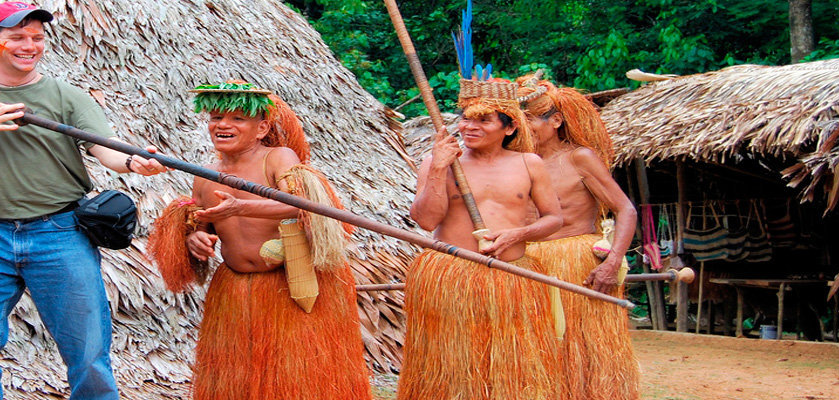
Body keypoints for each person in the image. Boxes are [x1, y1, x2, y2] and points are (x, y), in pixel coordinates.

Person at [0, 2, 165, 398]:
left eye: (36, 38)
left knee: (87, 349)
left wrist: (134, 161)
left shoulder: (68, 97)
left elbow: (108, 150)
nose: (29, 46)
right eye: (16, 38)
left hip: (60, 232)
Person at [147, 81, 371, 400]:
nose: (223, 124)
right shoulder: (204, 174)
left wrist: (243, 206)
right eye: (215, 117)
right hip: (235, 288)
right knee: (238, 379)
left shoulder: (278, 158)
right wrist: (196, 238)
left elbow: (305, 203)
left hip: (290, 286)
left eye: (237, 118)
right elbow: (203, 223)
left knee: (296, 380)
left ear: (262, 127)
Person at [397, 76, 567, 399]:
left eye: (483, 120)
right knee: (451, 370)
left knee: (511, 371)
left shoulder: (529, 164)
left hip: (511, 279)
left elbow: (554, 219)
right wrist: (438, 170)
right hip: (451, 280)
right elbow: (425, 220)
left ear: (510, 127)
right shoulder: (438, 163)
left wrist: (519, 233)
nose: (469, 127)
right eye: (465, 118)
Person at [518, 75, 641, 400]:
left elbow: (625, 210)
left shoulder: (579, 158)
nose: (524, 127)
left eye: (530, 119)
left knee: (586, 350)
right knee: (537, 351)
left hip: (578, 265)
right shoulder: (518, 163)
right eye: (520, 120)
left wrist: (613, 260)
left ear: (555, 120)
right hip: (530, 266)